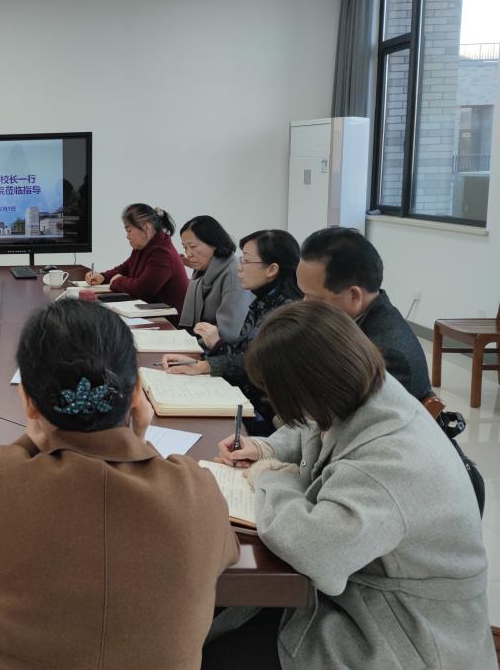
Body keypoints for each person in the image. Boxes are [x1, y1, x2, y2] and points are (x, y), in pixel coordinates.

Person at [0, 299, 239, 670]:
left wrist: (28, 443)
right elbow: (225, 547)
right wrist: (138, 441)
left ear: (29, 403)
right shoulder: (196, 493)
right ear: (136, 394)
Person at [205, 302, 493, 670]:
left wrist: (270, 477)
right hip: (367, 592)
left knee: (219, 654)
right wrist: (264, 448)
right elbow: (315, 426)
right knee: (219, 625)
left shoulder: (390, 462)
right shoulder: (365, 387)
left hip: (407, 634)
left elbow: (314, 551)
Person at [162, 229, 303, 431]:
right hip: (248, 403)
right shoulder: (264, 300)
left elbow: (257, 365)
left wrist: (205, 366)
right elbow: (244, 350)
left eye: (246, 261)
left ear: (272, 269)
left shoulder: (285, 312)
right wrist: (203, 360)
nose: (240, 267)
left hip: (268, 418)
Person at [296, 227, 432, 400]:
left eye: (313, 297)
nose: (304, 303)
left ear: (354, 296)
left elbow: (344, 414)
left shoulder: (387, 357)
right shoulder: (354, 320)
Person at [84, 204, 189, 317]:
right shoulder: (144, 246)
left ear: (146, 227)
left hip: (169, 321)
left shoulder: (163, 253)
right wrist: (103, 277)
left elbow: (143, 289)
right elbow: (124, 269)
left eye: (129, 230)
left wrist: (117, 281)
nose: (127, 236)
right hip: (148, 313)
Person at [178, 215, 252, 342]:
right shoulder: (202, 269)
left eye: (193, 246)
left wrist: (189, 345)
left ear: (214, 243)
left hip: (221, 348)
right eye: (185, 247)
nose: (188, 254)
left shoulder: (235, 273)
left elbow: (228, 334)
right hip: (198, 342)